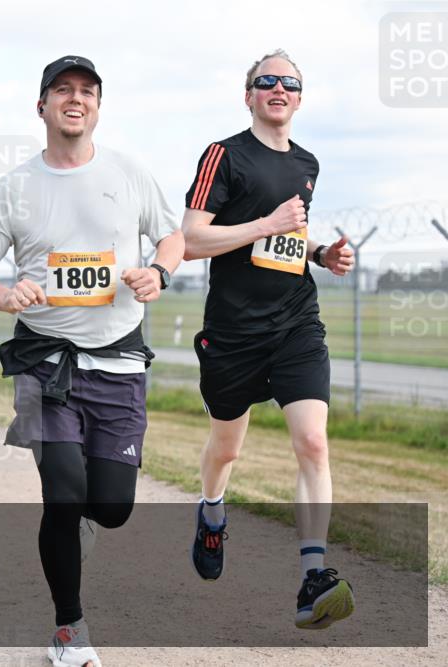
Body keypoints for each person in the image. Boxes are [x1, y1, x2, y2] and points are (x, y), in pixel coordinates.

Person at [0, 55, 184, 667]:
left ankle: (81, 520)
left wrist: (158, 271)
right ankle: (69, 631)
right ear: (43, 106)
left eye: (87, 91)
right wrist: (5, 294)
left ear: (98, 107)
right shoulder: (16, 186)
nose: (75, 99)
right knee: (62, 494)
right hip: (45, 364)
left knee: (109, 507)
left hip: (118, 360)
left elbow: (173, 235)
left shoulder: (129, 174)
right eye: (63, 90)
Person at [181, 50, 356, 629]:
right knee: (227, 449)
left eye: (290, 82)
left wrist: (320, 253)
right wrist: (267, 224)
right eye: (267, 81)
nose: (278, 88)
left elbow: (288, 240)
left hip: (295, 322)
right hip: (233, 333)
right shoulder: (223, 155)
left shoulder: (308, 162)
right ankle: (211, 512)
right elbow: (192, 239)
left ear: (300, 98)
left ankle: (313, 577)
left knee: (313, 442)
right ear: (249, 94)